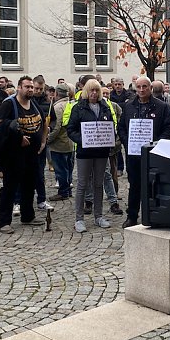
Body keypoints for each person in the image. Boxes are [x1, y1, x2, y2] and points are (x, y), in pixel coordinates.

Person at [118, 76, 170, 228]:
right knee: (134, 185)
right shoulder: (129, 106)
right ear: (135, 88)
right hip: (134, 154)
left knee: (153, 185)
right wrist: (126, 141)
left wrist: (156, 144)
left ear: (150, 88)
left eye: (145, 87)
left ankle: (154, 215)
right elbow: (121, 128)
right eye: (139, 87)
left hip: (154, 154)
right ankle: (132, 216)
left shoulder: (162, 107)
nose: (142, 90)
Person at [0, 76, 47, 232]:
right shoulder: (9, 104)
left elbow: (44, 123)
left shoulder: (34, 104)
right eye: (27, 87)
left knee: (29, 186)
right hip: (13, 155)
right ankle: (4, 222)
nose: (30, 89)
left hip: (32, 154)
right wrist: (18, 137)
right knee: (10, 188)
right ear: (19, 88)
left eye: (31, 87)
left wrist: (42, 142)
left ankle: (27, 216)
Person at [66, 79, 115, 233]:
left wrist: (110, 138)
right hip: (85, 152)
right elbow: (71, 129)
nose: (94, 93)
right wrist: (83, 140)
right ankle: (79, 219)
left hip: (101, 152)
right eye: (91, 90)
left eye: (96, 90)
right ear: (86, 91)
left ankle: (98, 216)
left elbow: (111, 126)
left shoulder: (105, 107)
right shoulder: (78, 108)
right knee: (82, 184)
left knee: (99, 184)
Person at [32, 76, 55, 214]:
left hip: (42, 141)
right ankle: (18, 201)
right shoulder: (27, 101)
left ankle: (41, 200)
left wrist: (50, 127)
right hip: (28, 142)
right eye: (36, 88)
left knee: (40, 174)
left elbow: (53, 120)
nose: (38, 91)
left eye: (41, 89)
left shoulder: (48, 103)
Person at [47, 83, 75, 202]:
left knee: (61, 169)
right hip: (70, 142)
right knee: (68, 168)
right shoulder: (71, 104)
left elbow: (56, 127)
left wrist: (48, 139)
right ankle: (68, 190)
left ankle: (63, 192)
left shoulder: (58, 107)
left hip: (60, 144)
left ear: (57, 93)